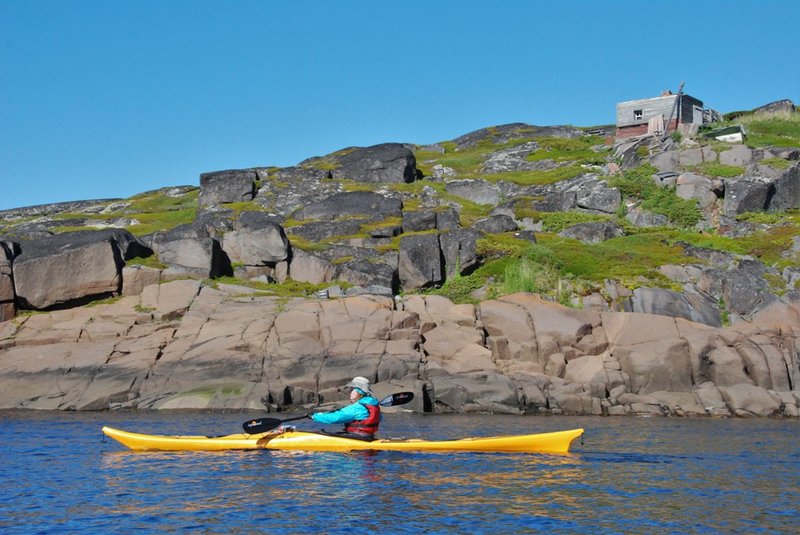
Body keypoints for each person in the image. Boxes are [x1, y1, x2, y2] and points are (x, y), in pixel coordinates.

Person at [310, 376, 381, 440]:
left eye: (352, 390)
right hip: (368, 437)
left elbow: (335, 418)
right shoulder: (373, 405)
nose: (350, 393)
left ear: (359, 392)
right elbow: (379, 419)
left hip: (357, 438)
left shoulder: (357, 407)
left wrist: (315, 416)